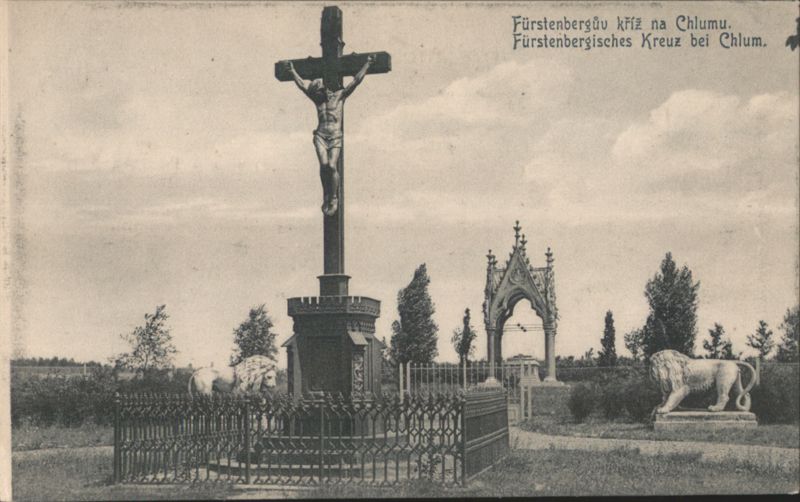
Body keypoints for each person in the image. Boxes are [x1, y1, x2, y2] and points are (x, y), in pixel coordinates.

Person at [287, 56, 374, 216]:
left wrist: (367, 65)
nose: (319, 95)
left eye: (320, 92)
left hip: (335, 137)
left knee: (331, 166)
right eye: (316, 94)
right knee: (323, 166)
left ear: (323, 89)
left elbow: (355, 81)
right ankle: (326, 195)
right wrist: (292, 71)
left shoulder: (339, 96)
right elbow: (301, 85)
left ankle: (333, 196)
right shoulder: (317, 100)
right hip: (320, 135)